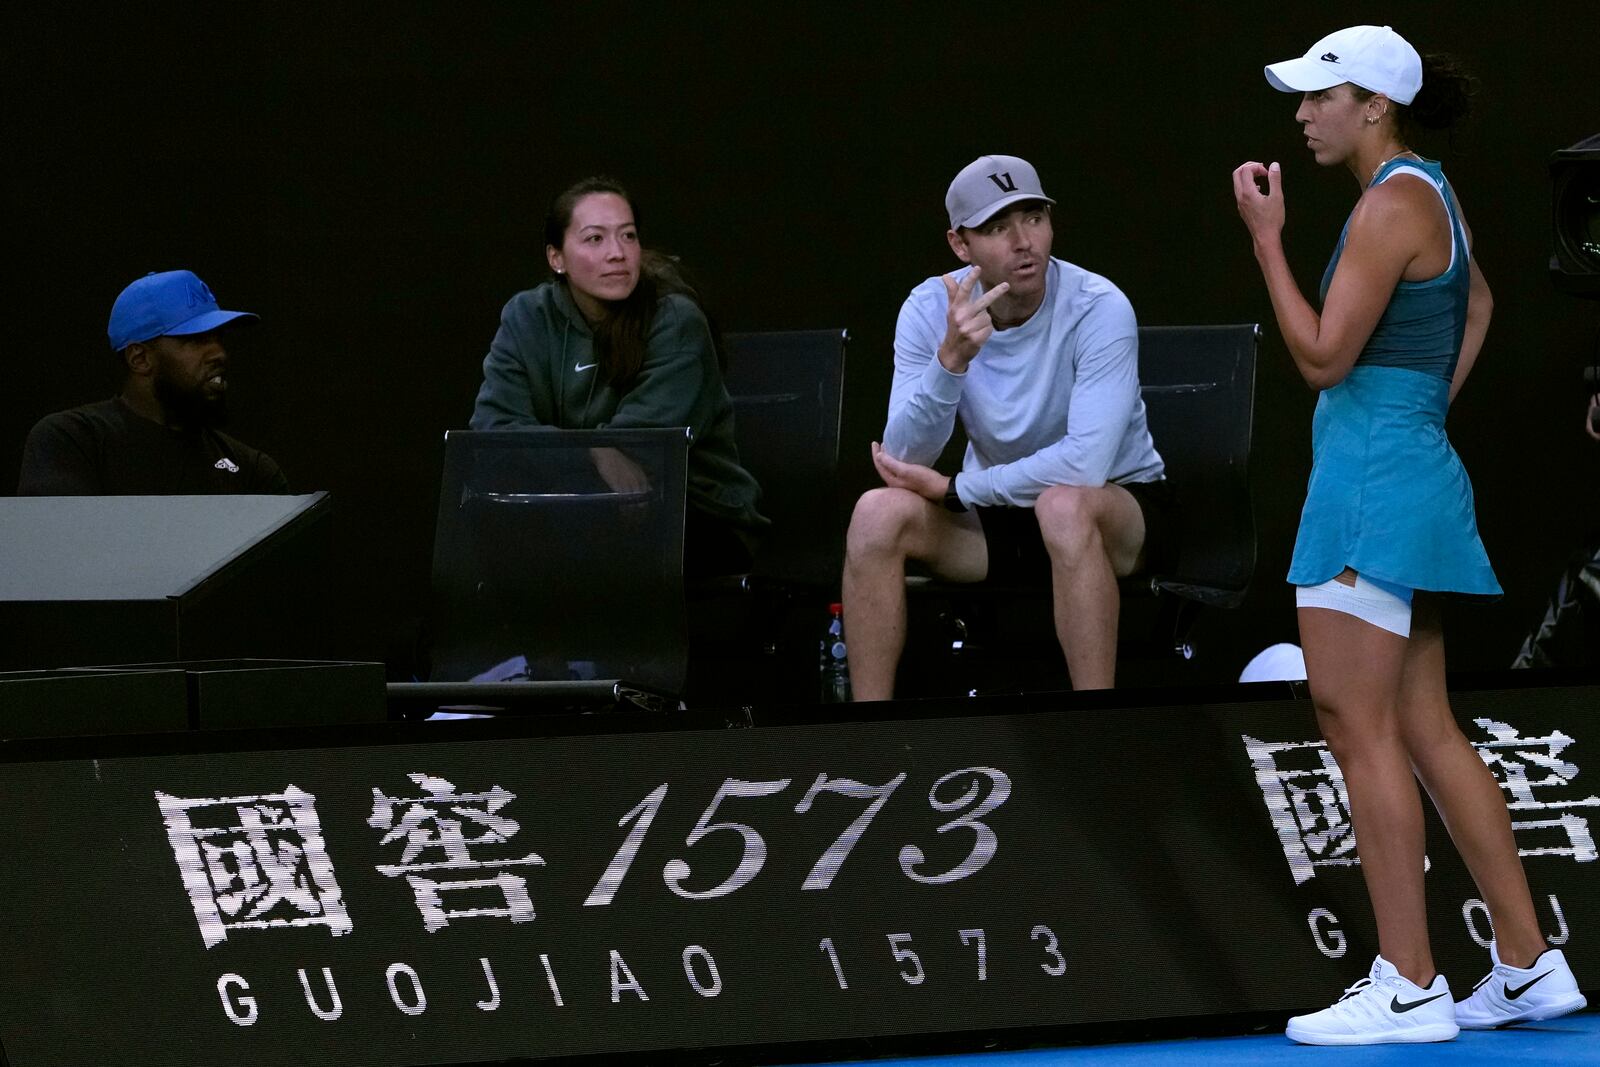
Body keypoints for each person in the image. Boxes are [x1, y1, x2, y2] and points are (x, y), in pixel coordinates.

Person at [1232, 24, 1586, 1045]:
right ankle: (1524, 962)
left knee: (1358, 724)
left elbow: (1317, 356)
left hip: (1368, 485)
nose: (1301, 114)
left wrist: (1265, 238)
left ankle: (1409, 979)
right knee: (1426, 726)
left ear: (1371, 105)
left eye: (1317, 97)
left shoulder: (1389, 204)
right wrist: (1420, 411)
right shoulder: (1429, 189)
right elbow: (1474, 302)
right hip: (1410, 468)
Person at [842, 154, 1170, 698]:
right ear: (960, 245)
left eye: (1034, 218)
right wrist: (949, 363)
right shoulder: (930, 309)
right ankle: (867, 734)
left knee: (1063, 505)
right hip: (1001, 519)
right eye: (998, 227)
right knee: (875, 514)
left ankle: (1098, 724)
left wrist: (956, 489)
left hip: (1115, 510)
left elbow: (1085, 465)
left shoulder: (1098, 305)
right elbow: (902, 460)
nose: (1024, 241)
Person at [469, 176, 765, 579]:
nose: (617, 253)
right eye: (595, 239)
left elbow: (647, 448)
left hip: (693, 514)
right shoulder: (527, 316)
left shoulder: (676, 320)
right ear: (557, 258)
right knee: (494, 518)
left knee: (573, 533)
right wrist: (597, 451)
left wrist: (599, 451)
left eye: (627, 236)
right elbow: (493, 432)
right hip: (573, 506)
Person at [17, 270, 287, 495]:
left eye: (219, 338)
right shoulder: (74, 440)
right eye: (196, 339)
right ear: (140, 358)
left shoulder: (250, 469)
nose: (219, 354)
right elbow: (60, 550)